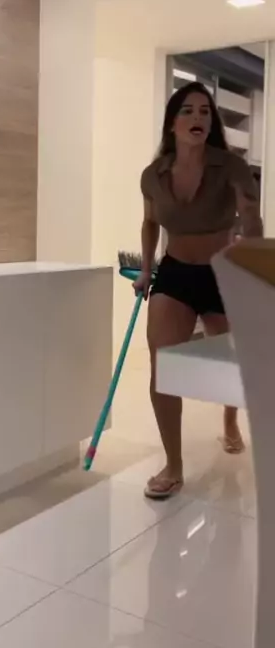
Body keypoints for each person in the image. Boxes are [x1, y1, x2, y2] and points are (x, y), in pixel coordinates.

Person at [135, 81, 263, 499]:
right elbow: (150, 221)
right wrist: (146, 268)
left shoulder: (232, 167)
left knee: (232, 362)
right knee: (162, 367)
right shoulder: (153, 175)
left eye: (205, 112)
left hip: (222, 274)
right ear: (173, 123)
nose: (198, 118)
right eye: (188, 110)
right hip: (175, 274)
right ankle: (173, 464)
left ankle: (229, 419)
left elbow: (251, 217)